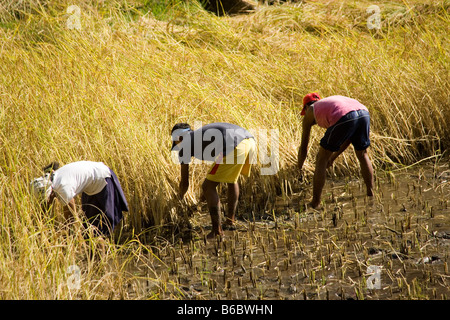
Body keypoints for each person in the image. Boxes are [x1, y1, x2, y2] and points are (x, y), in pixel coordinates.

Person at [171, 122, 256, 239]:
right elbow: (220, 166)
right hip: (249, 141)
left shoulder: (185, 145)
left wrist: (178, 199)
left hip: (234, 145)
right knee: (231, 179)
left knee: (207, 187)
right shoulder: (199, 136)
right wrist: (202, 199)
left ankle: (217, 231)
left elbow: (184, 183)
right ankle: (230, 220)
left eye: (175, 143)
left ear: (178, 138)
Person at [297, 93, 374, 208]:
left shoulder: (311, 111)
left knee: (321, 158)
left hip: (345, 116)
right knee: (363, 155)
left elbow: (304, 146)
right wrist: (332, 158)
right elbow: (348, 138)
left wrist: (299, 168)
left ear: (306, 107)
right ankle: (370, 194)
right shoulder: (329, 105)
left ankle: (315, 203)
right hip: (363, 113)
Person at [31, 161, 128, 236]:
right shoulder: (50, 181)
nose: (47, 203)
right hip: (90, 185)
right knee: (89, 227)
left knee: (97, 231)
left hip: (103, 179)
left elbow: (71, 220)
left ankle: (99, 260)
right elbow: (44, 211)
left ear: (50, 193)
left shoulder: (63, 187)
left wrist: (64, 236)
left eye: (46, 199)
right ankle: (94, 257)